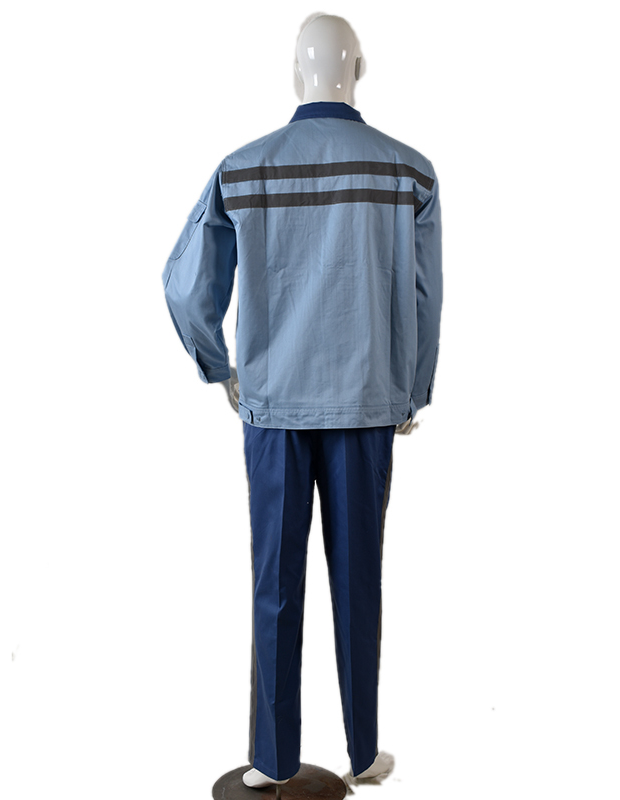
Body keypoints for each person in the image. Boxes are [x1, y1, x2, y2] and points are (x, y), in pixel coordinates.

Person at [161, 12, 442, 790]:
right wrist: (413, 390)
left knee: (275, 586)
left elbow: (184, 286)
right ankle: (362, 753)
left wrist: (220, 369)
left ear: (296, 73)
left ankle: (271, 761)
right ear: (362, 68)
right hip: (368, 403)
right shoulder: (410, 173)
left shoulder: (243, 168)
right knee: (359, 580)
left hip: (274, 407)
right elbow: (426, 295)